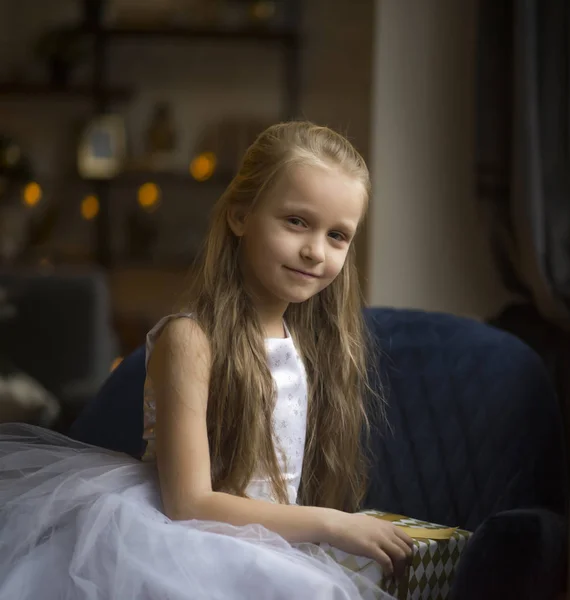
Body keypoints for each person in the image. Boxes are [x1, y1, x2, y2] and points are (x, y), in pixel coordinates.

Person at [0, 121, 413, 600]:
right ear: (240, 215)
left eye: (337, 235)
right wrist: (329, 524)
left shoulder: (304, 344)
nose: (314, 251)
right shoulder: (191, 339)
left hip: (265, 540)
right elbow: (188, 503)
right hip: (187, 544)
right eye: (296, 221)